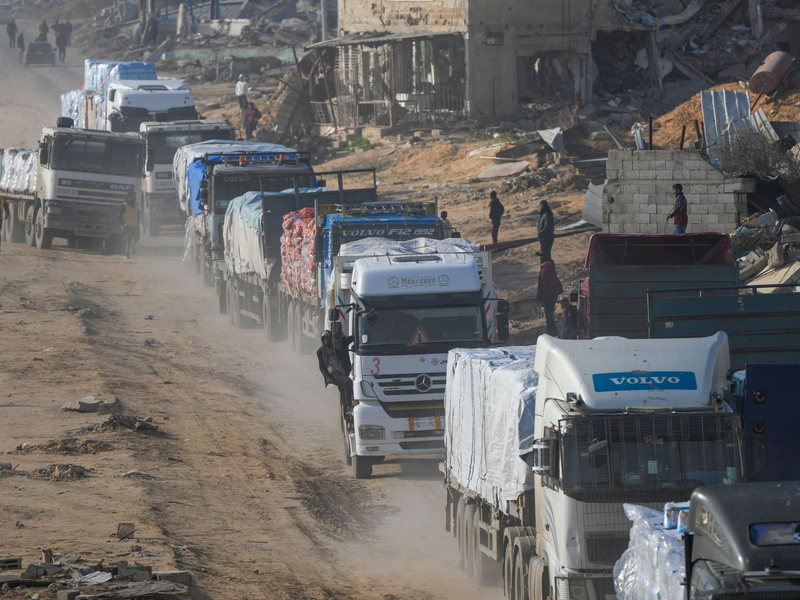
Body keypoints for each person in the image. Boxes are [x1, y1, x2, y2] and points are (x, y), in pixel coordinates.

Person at [317, 330, 355, 426]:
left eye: (327, 338)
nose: (326, 341)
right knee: (347, 382)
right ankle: (348, 410)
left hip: (343, 372)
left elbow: (352, 338)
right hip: (332, 374)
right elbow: (321, 367)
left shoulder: (340, 343)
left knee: (345, 391)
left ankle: (348, 420)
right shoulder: (320, 351)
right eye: (324, 339)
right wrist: (327, 377)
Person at [537, 255, 563, 338]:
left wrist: (540, 296)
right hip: (553, 294)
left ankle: (550, 332)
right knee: (550, 314)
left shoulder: (544, 271)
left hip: (548, 296)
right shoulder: (551, 268)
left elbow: (543, 285)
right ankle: (553, 331)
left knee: (548, 315)